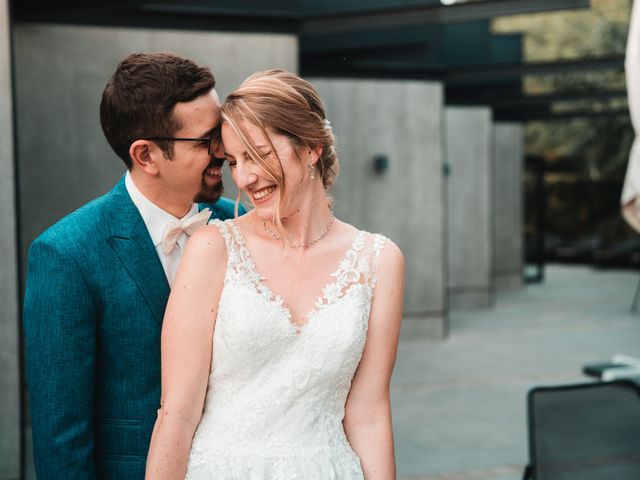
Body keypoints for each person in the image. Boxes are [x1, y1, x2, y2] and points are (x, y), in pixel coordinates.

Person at [146, 69, 405, 479]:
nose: (245, 178)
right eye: (233, 160)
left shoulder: (379, 260)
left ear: (311, 147)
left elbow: (369, 411)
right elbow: (177, 413)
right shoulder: (212, 249)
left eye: (259, 154)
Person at [23, 52, 244, 479]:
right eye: (207, 140)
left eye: (224, 133)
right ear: (145, 155)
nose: (225, 151)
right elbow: (60, 434)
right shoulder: (66, 255)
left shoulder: (244, 224)